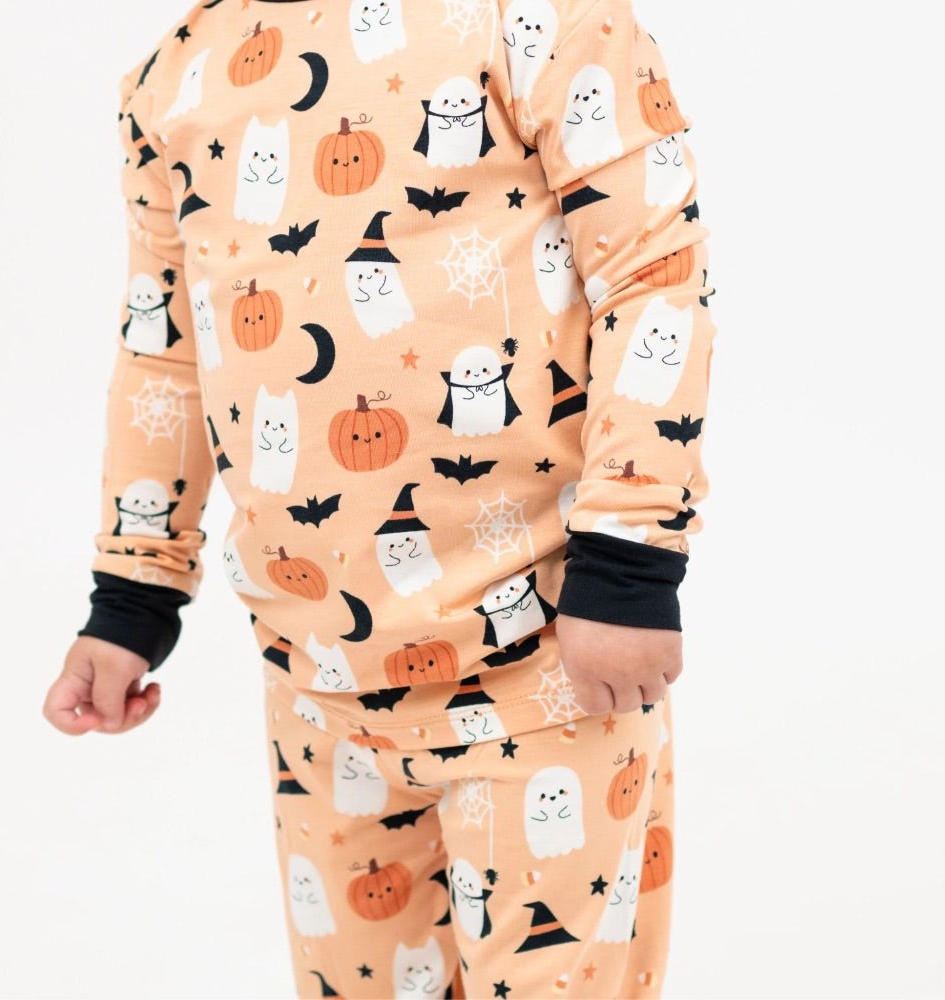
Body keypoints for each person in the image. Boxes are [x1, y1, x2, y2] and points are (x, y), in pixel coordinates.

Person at [43, 1, 717, 996]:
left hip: (544, 667)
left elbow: (652, 274)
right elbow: (166, 352)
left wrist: (629, 559)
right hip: (317, 686)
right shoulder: (174, 77)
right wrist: (132, 596)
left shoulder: (536, 18)